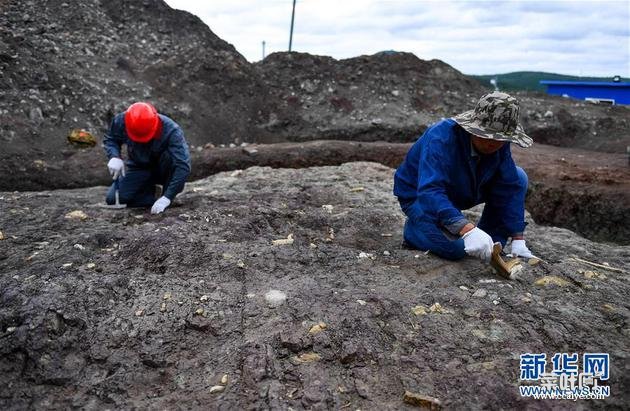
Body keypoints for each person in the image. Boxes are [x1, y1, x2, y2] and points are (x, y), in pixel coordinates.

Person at [393, 92, 536, 261]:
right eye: (488, 136)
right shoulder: (440, 138)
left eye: (501, 139)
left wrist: (517, 236)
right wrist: (467, 229)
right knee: (459, 250)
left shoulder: (499, 143)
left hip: (462, 189)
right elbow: (430, 190)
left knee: (519, 177)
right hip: (421, 197)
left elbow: (509, 184)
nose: (495, 144)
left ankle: (490, 238)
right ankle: (415, 230)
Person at [103, 102, 191, 214]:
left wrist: (167, 197)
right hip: (139, 166)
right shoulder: (122, 120)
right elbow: (111, 139)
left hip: (163, 168)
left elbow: (183, 166)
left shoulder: (171, 130)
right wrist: (114, 156)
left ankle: (166, 194)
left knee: (171, 159)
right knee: (112, 199)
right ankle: (152, 195)